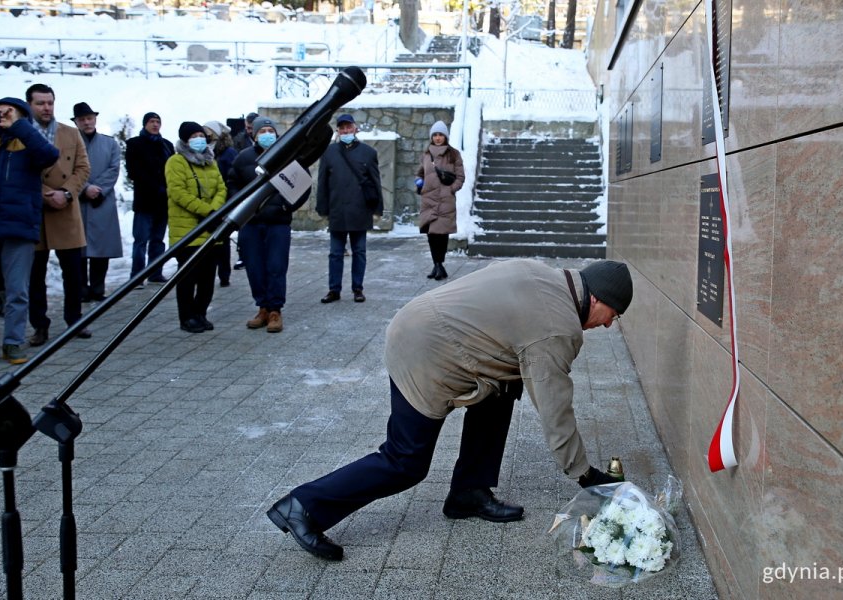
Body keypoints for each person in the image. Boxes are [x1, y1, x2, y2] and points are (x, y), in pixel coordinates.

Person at [266, 259, 634, 560]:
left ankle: (468, 493)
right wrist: (584, 475)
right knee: (404, 461)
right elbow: (555, 407)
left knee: (503, 389)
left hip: (424, 326)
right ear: (598, 298)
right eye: (613, 315)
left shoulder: (549, 277)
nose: (606, 326)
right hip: (423, 351)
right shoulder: (556, 328)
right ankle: (304, 507)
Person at [0, 97, 59, 365]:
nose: (2, 117)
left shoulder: (29, 143)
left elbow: (50, 156)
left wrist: (20, 126)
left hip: (19, 225)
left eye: (10, 113)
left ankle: (12, 343)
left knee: (17, 291)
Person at [227, 116, 312, 334]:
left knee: (276, 266)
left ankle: (275, 310)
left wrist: (286, 207)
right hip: (251, 223)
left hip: (278, 222)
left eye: (270, 130)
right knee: (254, 267)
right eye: (262, 131)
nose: (267, 134)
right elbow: (232, 183)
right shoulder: (243, 158)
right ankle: (262, 307)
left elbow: (303, 185)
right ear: (253, 135)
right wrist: (242, 205)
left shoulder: (288, 156)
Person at [25, 83, 92, 347]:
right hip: (35, 211)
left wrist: (65, 193)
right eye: (40, 103)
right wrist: (44, 193)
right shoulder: (22, 134)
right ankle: (39, 326)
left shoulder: (70, 133)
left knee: (74, 274)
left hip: (66, 210)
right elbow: (19, 171)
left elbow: (83, 168)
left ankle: (74, 321)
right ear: (29, 104)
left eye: (50, 102)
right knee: (35, 276)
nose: (46, 107)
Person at [165, 122, 227, 333]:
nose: (199, 139)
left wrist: (214, 211)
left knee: (208, 278)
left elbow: (221, 188)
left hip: (211, 229)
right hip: (187, 231)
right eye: (194, 136)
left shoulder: (211, 162)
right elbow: (178, 192)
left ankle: (200, 313)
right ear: (185, 140)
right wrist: (206, 211)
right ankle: (187, 317)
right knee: (187, 278)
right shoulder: (176, 162)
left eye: (202, 135)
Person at [315, 113, 383, 304]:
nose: (345, 131)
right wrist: (323, 207)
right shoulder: (329, 152)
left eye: (348, 127)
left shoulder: (368, 153)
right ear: (338, 130)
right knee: (335, 253)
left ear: (355, 128)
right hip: (337, 209)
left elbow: (375, 181)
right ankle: (334, 289)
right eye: (342, 128)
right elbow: (322, 182)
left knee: (359, 252)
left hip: (360, 210)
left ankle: (357, 288)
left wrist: (378, 207)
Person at [72, 102, 122, 303]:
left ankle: (98, 288)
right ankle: (81, 289)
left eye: (89, 118)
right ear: (76, 122)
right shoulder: (72, 143)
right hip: (78, 200)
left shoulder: (110, 143)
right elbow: (68, 169)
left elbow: (114, 169)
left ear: (95, 119)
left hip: (103, 200)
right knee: (80, 248)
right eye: (82, 119)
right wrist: (85, 189)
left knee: (102, 249)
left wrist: (98, 189)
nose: (87, 122)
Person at [125, 111, 174, 285]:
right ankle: (137, 276)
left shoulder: (166, 145)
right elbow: (134, 172)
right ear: (145, 124)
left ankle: (155, 272)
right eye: (152, 121)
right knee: (141, 240)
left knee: (158, 240)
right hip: (145, 201)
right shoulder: (135, 144)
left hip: (163, 202)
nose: (155, 125)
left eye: (158, 122)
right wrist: (155, 186)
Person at [416, 120, 464, 281]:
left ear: (445, 136)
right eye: (435, 135)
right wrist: (419, 183)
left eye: (440, 135)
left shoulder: (454, 154)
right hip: (428, 200)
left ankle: (439, 264)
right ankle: (437, 265)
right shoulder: (426, 154)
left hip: (445, 201)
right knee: (431, 234)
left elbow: (460, 177)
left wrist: (451, 190)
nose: (437, 138)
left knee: (441, 234)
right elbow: (420, 173)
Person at [203, 120, 238, 288]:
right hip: (207, 203)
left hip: (223, 202)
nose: (205, 134)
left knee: (222, 241)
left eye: (208, 131)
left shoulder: (228, 153)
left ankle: (224, 274)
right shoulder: (206, 151)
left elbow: (232, 177)